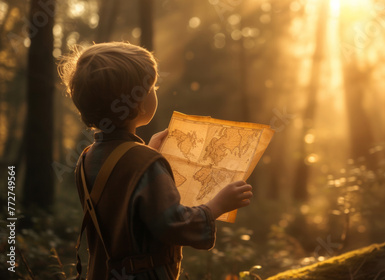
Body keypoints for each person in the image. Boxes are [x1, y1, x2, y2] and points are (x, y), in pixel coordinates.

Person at [58, 42, 253, 280]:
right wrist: (217, 206)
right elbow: (172, 224)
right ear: (138, 103)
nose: (156, 91)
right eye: (153, 87)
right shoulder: (144, 162)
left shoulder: (87, 156)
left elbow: (120, 201)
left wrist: (146, 152)